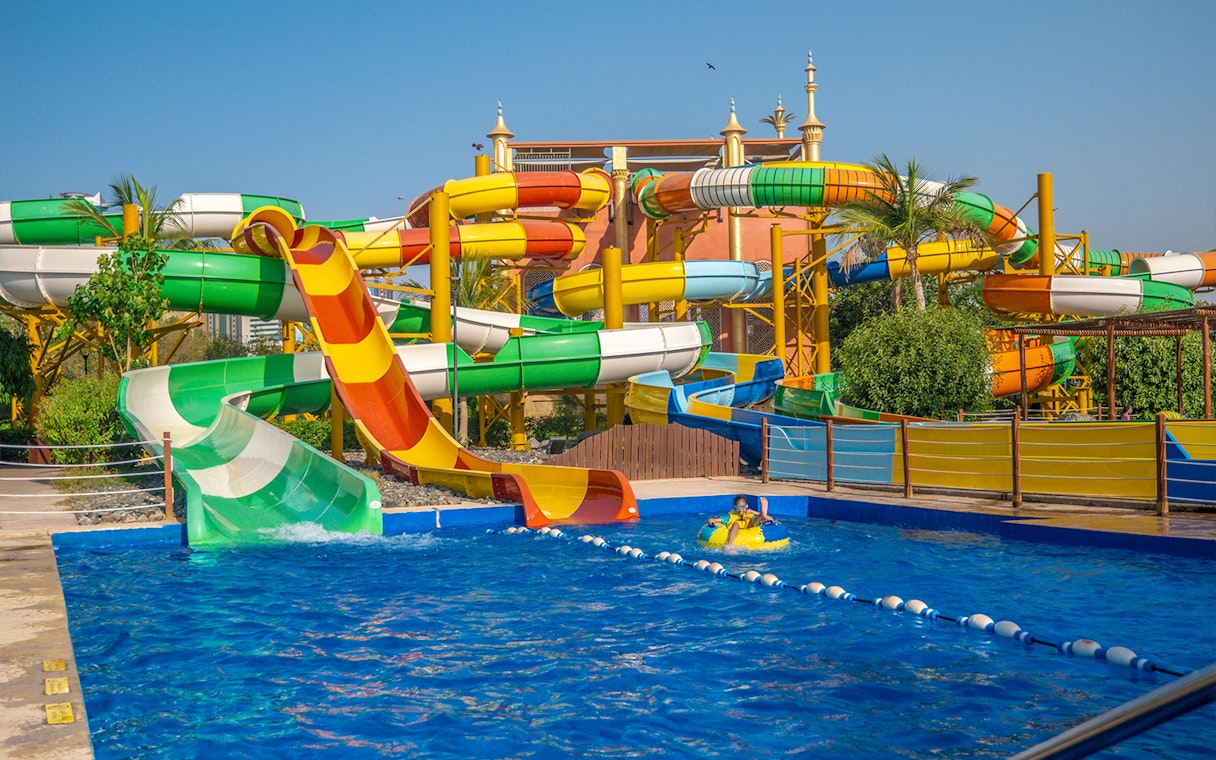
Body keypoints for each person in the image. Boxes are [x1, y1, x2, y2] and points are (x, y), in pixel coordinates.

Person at [706, 496, 772, 545]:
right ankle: (730, 545)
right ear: (735, 507)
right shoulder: (730, 516)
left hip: (750, 526)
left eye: (743, 507)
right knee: (736, 524)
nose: (740, 510)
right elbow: (715, 520)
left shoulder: (750, 514)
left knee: (753, 520)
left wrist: (753, 512)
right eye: (738, 508)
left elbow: (771, 519)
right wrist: (711, 520)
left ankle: (762, 513)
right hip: (736, 528)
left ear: (746, 506)